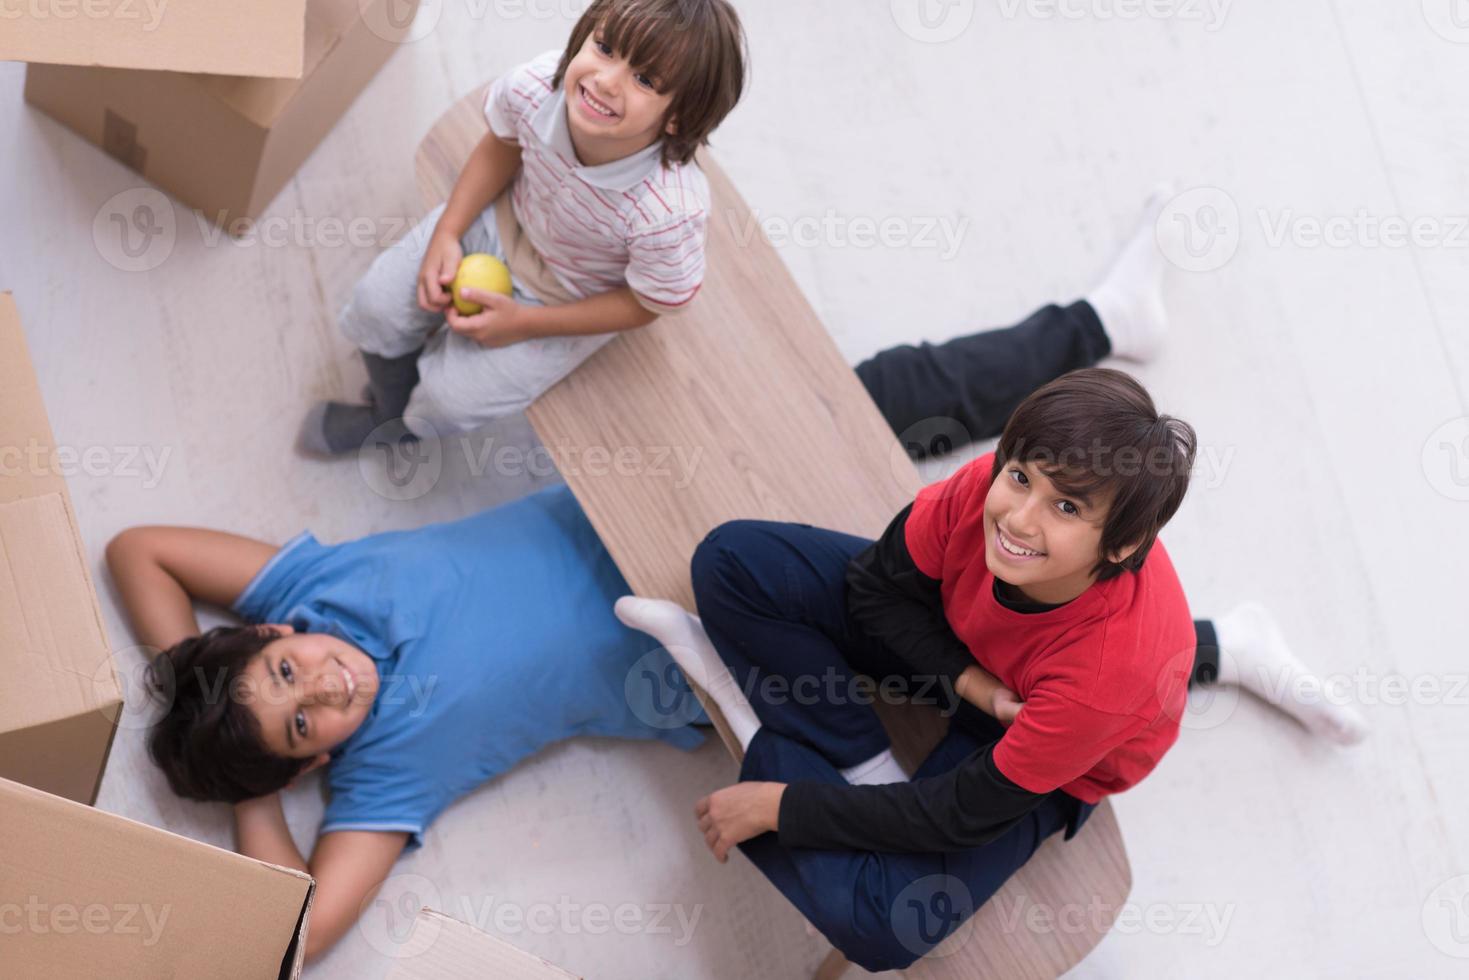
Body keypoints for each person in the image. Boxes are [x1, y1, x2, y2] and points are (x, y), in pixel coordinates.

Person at [614, 368, 1366, 972]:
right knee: (736, 561)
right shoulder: (988, 489)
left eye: (1066, 507)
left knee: (884, 931)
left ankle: (754, 722)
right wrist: (966, 682)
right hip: (978, 661)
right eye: (1021, 477)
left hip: (1055, 749)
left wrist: (785, 808)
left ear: (1119, 548)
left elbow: (954, 813)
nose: (1018, 518)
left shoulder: (1105, 680)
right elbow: (876, 588)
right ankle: (863, 763)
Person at [105, 484, 705, 962]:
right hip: (710, 652)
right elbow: (298, 934)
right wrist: (252, 788)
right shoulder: (387, 771)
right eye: (301, 726)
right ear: (310, 764)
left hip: (634, 501)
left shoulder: (314, 591)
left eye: (286, 671)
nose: (323, 687)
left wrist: (195, 677)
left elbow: (138, 550)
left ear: (272, 632)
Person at [299, 0, 748, 454]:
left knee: (447, 401)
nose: (606, 81)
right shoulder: (535, 87)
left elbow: (646, 303)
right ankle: (387, 410)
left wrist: (526, 323)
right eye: (606, 47)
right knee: (379, 304)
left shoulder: (669, 214)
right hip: (503, 219)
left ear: (678, 117)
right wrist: (448, 234)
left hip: (573, 295)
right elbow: (502, 145)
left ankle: (404, 428)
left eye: (646, 80)